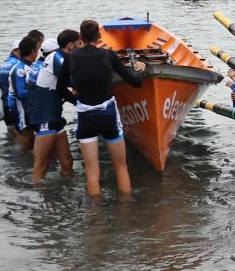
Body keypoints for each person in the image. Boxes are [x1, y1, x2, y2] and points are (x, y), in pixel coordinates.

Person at [65, 18, 146, 197]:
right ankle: (125, 210)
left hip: (85, 116)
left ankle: (96, 217)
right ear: (99, 36)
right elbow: (135, 82)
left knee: (92, 172)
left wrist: (76, 98)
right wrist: (140, 70)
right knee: (121, 166)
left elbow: (60, 86)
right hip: (107, 114)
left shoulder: (71, 56)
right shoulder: (109, 55)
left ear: (81, 37)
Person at [28, 29, 80, 184]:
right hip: (45, 118)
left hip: (55, 116)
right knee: (41, 166)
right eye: (79, 43)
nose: (82, 46)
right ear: (70, 45)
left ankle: (66, 197)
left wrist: (80, 103)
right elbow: (75, 81)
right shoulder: (57, 58)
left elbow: (62, 90)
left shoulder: (61, 57)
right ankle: (40, 202)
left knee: (67, 162)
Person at [7, 34, 42, 153]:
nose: (38, 53)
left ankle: (28, 166)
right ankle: (22, 166)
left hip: (29, 108)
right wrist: (41, 91)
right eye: (37, 50)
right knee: (26, 142)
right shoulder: (19, 69)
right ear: (33, 51)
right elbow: (21, 93)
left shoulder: (31, 66)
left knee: (32, 139)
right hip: (20, 109)